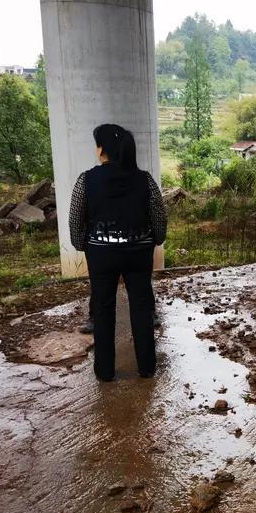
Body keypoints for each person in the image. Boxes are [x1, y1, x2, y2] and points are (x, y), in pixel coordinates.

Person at [68, 124, 167, 381]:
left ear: (102, 149)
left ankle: (105, 371)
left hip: (101, 254)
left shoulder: (86, 180)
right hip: (138, 252)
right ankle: (146, 367)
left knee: (102, 309)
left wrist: (82, 244)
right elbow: (159, 214)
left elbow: (75, 217)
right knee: (142, 307)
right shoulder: (144, 179)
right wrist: (155, 239)